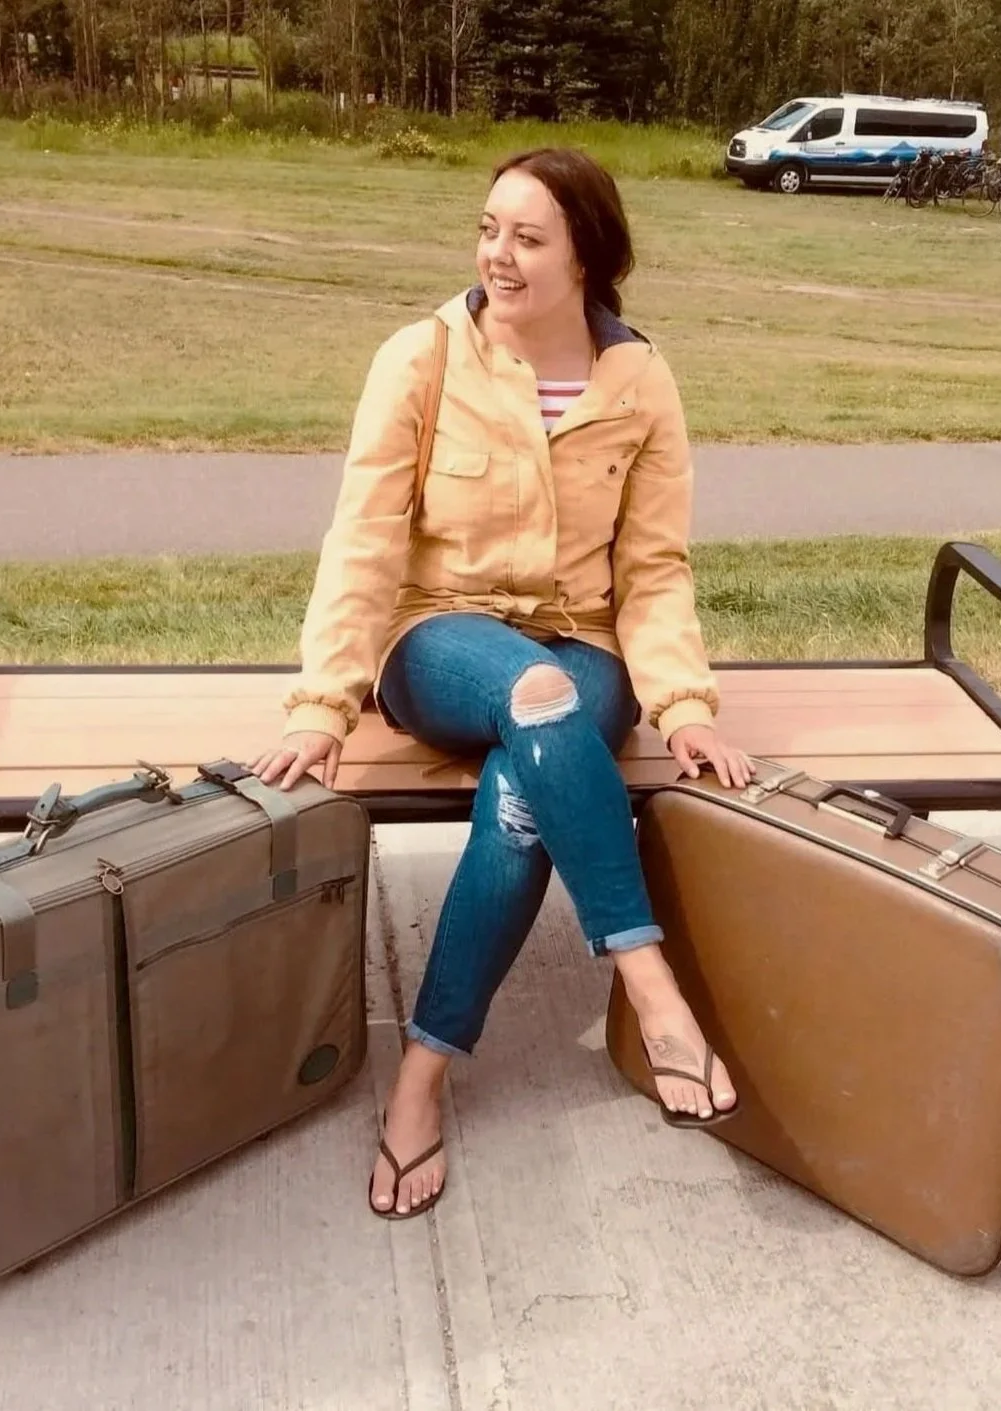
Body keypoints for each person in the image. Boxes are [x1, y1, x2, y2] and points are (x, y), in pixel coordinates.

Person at [251, 146, 754, 1221]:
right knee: (536, 699)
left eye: (528, 238)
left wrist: (685, 705)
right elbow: (364, 544)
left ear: (587, 257)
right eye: (489, 231)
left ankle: (421, 1077)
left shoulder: (639, 380)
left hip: (585, 645)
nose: (498, 255)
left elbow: (655, 571)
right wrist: (323, 700)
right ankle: (649, 981)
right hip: (440, 639)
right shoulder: (422, 359)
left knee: (522, 794)